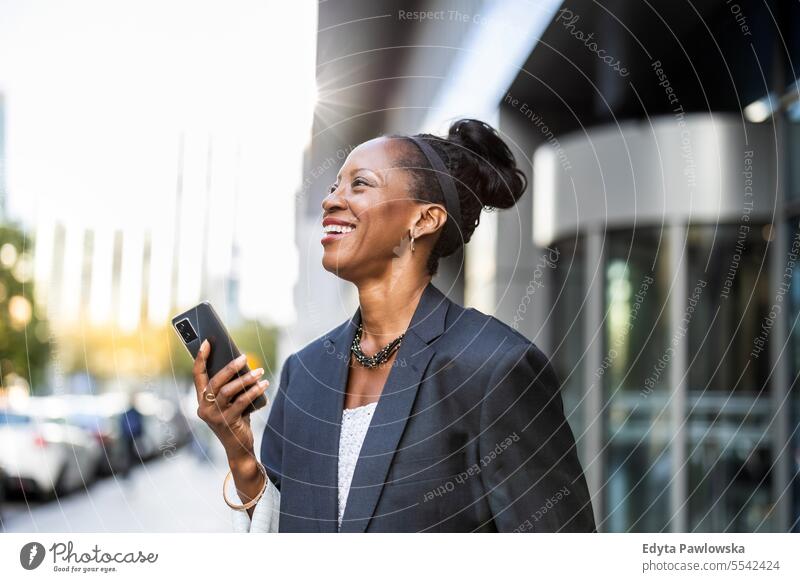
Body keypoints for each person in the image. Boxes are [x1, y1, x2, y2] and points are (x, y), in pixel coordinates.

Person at [194, 118, 597, 532]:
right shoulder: (305, 373)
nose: (332, 200)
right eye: (334, 186)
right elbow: (282, 531)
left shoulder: (495, 367)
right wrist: (240, 453)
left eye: (360, 184)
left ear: (423, 220)